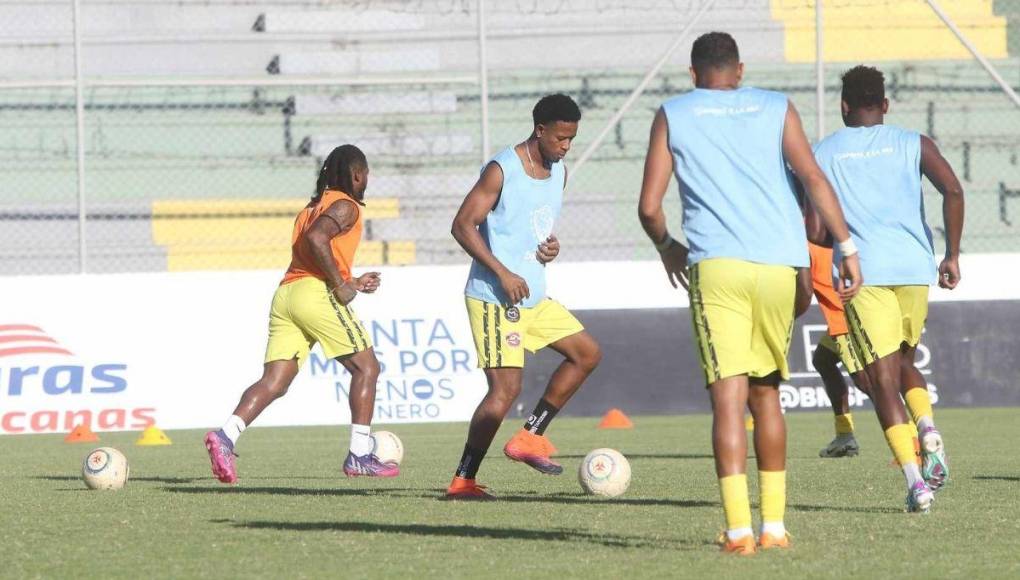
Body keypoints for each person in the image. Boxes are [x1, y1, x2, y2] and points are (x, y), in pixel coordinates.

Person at [637, 32, 861, 554]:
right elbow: (812, 177)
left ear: (694, 75)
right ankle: (775, 528)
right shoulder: (777, 106)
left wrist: (667, 245)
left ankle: (739, 531)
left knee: (728, 402)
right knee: (767, 396)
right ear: (738, 71)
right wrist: (845, 247)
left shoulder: (673, 112)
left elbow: (649, 207)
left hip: (718, 267)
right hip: (780, 266)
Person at [813, 65, 963, 511]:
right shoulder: (913, 142)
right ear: (885, 105)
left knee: (881, 381)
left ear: (843, 106)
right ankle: (928, 427)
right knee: (903, 361)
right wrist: (951, 254)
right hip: (915, 269)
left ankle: (916, 481)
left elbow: (815, 228)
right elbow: (952, 191)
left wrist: (833, 243)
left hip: (866, 272)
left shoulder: (823, 152)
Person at [204, 144, 398, 483]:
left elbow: (311, 248)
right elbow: (317, 238)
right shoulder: (346, 205)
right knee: (367, 368)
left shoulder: (313, 206)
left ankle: (225, 436)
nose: (367, 180)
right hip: (314, 293)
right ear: (356, 174)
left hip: (287, 294)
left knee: (275, 382)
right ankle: (359, 455)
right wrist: (340, 284)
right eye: (366, 174)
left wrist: (351, 280)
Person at [446, 94, 602, 500]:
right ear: (541, 130)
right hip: (495, 296)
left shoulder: (559, 172)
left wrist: (550, 249)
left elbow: (536, 231)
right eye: (561, 138)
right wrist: (502, 271)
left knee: (586, 354)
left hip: (534, 294)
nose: (566, 147)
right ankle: (463, 479)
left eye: (572, 139)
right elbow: (463, 225)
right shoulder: (502, 169)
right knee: (505, 391)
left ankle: (530, 436)